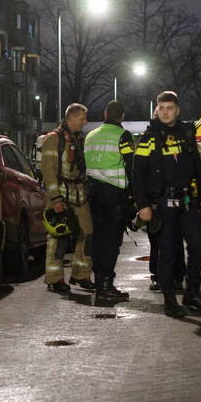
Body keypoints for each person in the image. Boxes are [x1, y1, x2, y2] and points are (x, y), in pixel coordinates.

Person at [134, 91, 201, 318]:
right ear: (156, 110)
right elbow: (137, 174)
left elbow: (198, 169)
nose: (166, 112)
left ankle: (192, 294)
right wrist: (143, 205)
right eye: (162, 108)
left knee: (198, 246)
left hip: (189, 200)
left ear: (177, 110)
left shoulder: (187, 133)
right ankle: (170, 300)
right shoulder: (149, 138)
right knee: (167, 252)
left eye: (170, 108)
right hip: (162, 202)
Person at [40, 104, 94, 293]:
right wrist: (55, 199)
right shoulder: (53, 140)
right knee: (58, 238)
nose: (85, 122)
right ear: (72, 117)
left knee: (87, 235)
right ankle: (54, 278)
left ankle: (81, 275)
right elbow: (48, 171)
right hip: (61, 197)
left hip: (80, 196)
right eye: (83, 118)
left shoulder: (79, 139)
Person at [85, 100, 135, 299]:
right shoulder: (123, 136)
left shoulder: (90, 135)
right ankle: (106, 286)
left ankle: (100, 283)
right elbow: (131, 166)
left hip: (93, 195)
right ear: (122, 116)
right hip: (114, 196)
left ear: (105, 114)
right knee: (112, 242)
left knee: (98, 240)